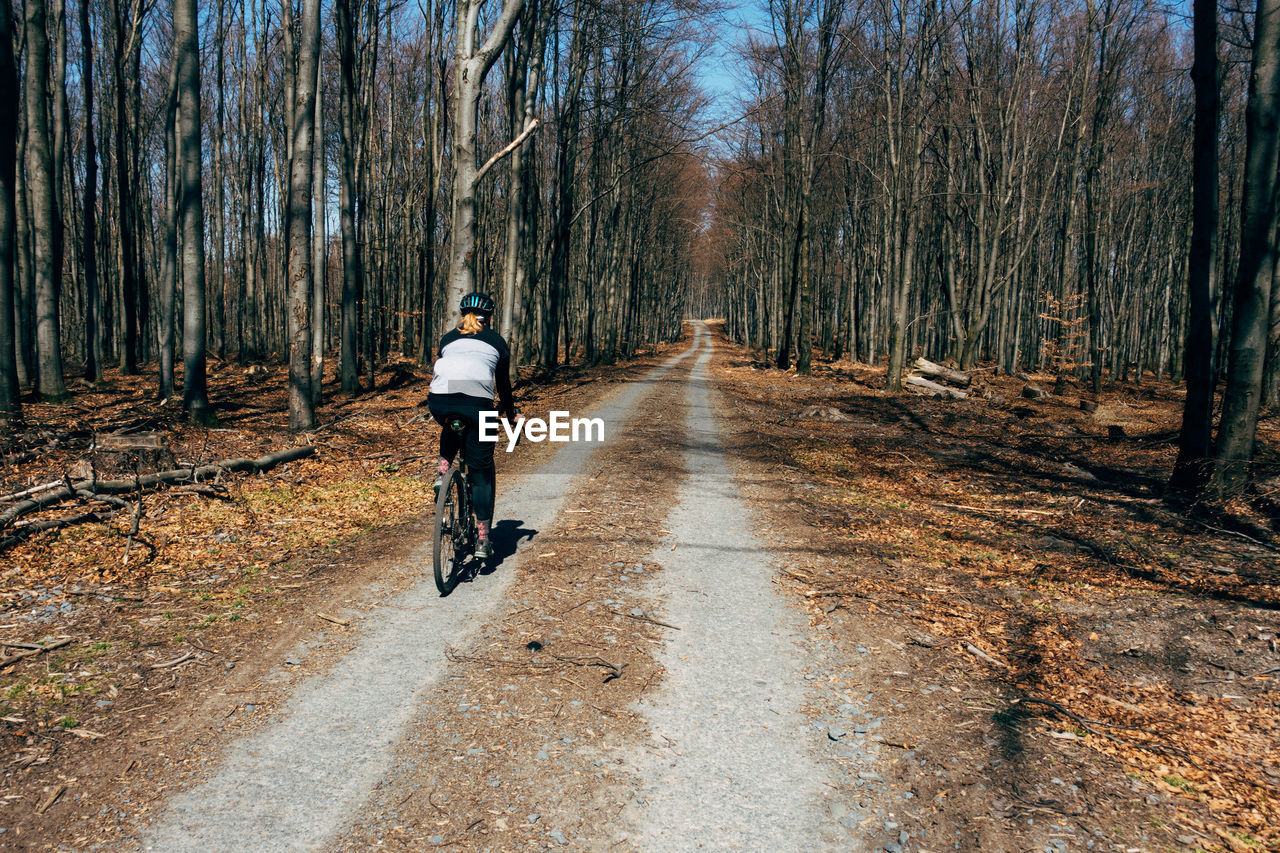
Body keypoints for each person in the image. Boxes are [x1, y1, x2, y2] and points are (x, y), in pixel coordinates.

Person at [426, 292, 519, 559]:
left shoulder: (448, 338)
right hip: (478, 404)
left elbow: (448, 372)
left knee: (452, 423)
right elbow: (503, 386)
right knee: (481, 472)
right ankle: (482, 539)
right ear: (489, 317)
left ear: (461, 313)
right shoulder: (497, 342)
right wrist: (511, 413)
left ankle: (443, 472)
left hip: (439, 401)